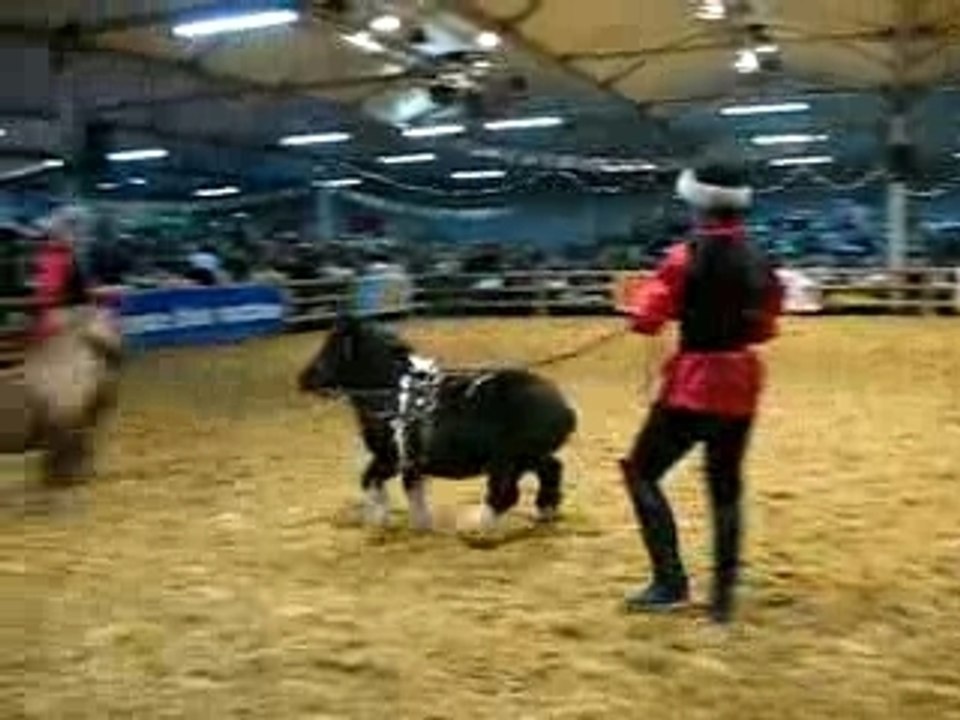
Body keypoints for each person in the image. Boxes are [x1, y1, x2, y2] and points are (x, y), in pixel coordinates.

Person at [619, 164, 784, 624]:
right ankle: (723, 601)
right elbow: (767, 325)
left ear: (698, 202)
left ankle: (670, 582)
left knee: (641, 472)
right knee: (725, 487)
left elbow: (648, 319)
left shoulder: (681, 256)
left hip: (695, 381)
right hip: (742, 380)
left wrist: (641, 309)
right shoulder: (760, 257)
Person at [30, 206, 92, 344]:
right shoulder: (56, 256)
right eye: (75, 230)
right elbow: (52, 290)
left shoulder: (64, 255)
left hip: (63, 319)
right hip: (60, 322)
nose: (79, 236)